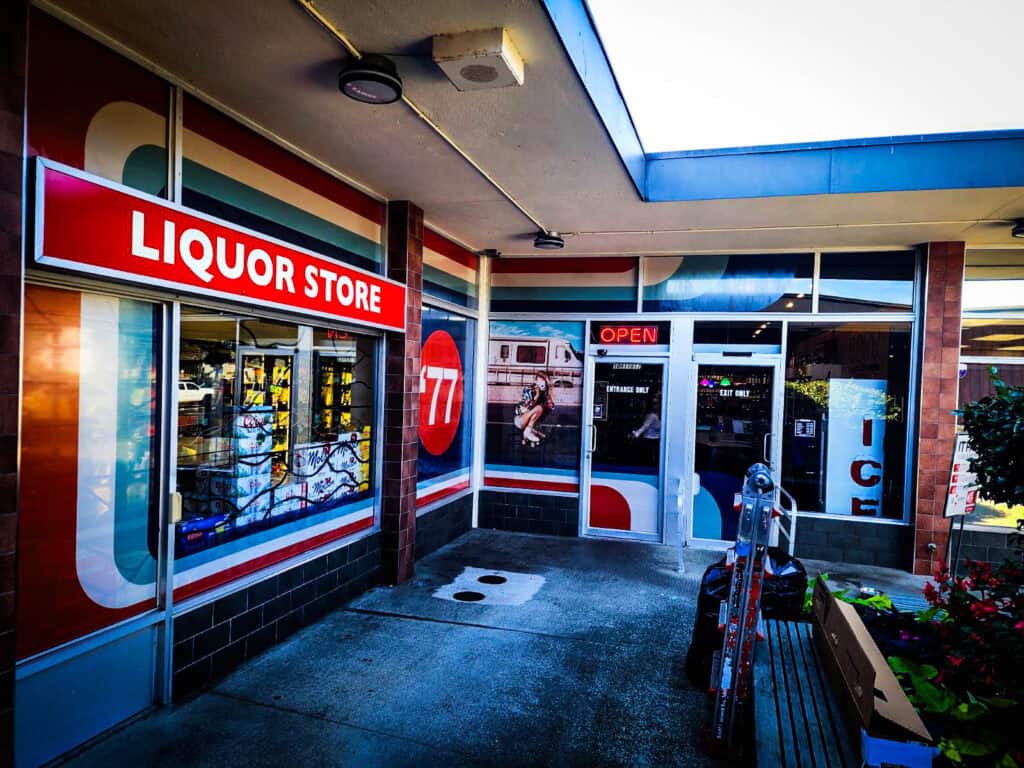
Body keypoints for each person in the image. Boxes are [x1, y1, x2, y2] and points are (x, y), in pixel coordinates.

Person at [514, 372, 553, 446]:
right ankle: (528, 431)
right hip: (520, 419)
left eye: (543, 381)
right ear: (535, 381)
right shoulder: (529, 389)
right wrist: (536, 396)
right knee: (539, 408)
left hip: (529, 421)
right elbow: (524, 408)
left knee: (541, 408)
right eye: (539, 380)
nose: (541, 383)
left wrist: (549, 401)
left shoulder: (545, 394)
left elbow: (550, 409)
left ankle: (530, 432)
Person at [630, 396, 661, 466]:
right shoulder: (652, 416)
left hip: (652, 440)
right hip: (650, 440)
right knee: (650, 459)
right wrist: (637, 433)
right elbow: (645, 426)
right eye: (655, 404)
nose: (657, 406)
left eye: (657, 404)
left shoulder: (655, 415)